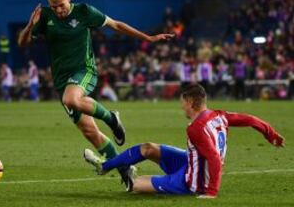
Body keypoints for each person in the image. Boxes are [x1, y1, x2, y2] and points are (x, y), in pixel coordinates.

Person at [18, 0, 174, 186]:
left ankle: (111, 118)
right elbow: (22, 42)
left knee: (71, 99)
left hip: (84, 71)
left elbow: (116, 25)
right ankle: (123, 168)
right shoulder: (45, 17)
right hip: (61, 80)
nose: (59, 10)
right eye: (54, 6)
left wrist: (149, 38)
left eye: (62, 5)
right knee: (89, 131)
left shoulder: (84, 11)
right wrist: (30, 25)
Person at [84, 84, 285, 196]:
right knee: (148, 148)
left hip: (193, 181)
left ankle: (128, 175)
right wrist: (271, 134)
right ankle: (105, 166)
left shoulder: (196, 129)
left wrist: (211, 192)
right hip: (191, 162)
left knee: (136, 185)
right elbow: (249, 119)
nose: (181, 107)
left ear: (190, 102)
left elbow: (214, 158)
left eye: (182, 103)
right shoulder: (218, 115)